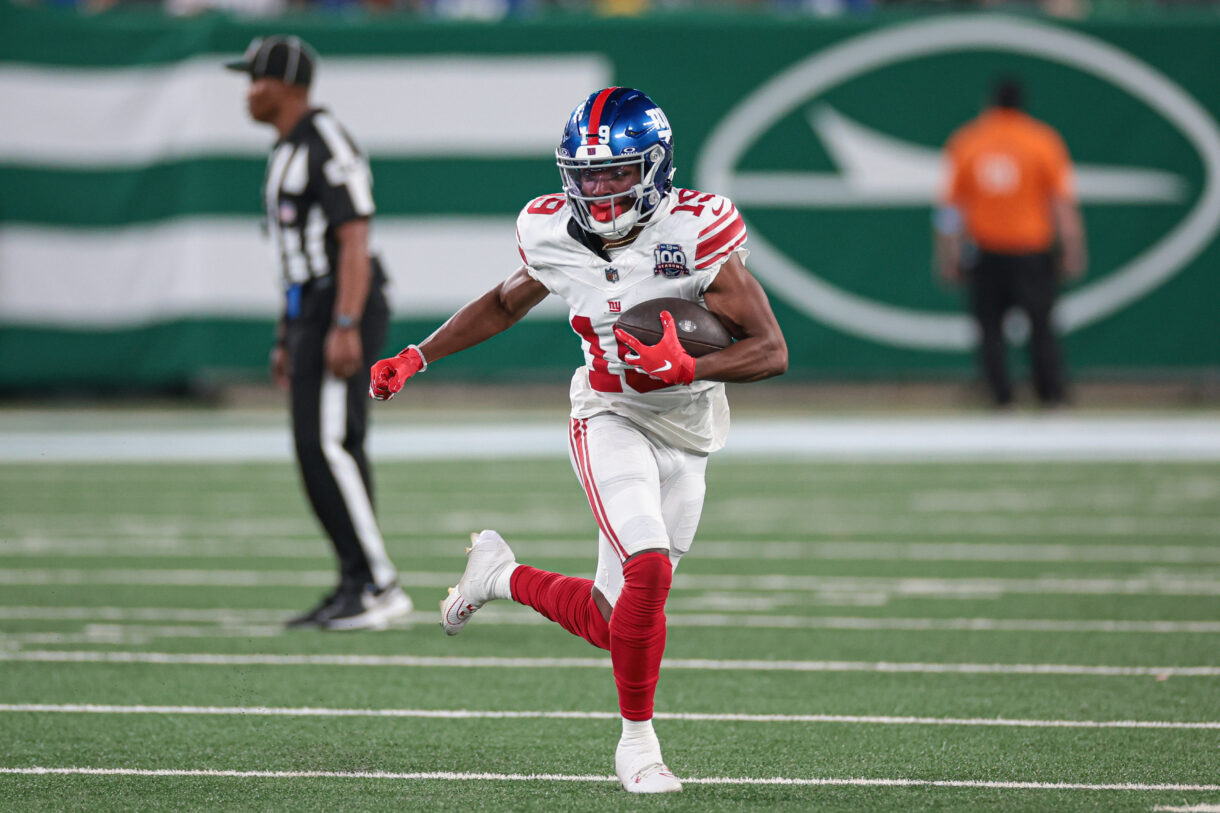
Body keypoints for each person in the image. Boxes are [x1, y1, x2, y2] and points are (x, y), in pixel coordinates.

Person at [369, 87, 787, 793]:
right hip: (608, 412)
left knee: (611, 616)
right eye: (587, 174)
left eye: (616, 173)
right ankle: (638, 746)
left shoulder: (696, 230)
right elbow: (504, 302)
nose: (598, 189)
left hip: (688, 429)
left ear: (653, 169)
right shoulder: (550, 230)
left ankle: (497, 575)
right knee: (648, 568)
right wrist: (418, 354)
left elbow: (771, 350)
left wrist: (694, 364)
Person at [226, 36, 411, 630]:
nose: (248, 92)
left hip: (340, 301)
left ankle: (377, 584)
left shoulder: (323, 139)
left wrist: (346, 323)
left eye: (256, 79)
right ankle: (355, 579)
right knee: (327, 448)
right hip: (312, 307)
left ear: (285, 84)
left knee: (327, 445)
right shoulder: (286, 148)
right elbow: (293, 255)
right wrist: (288, 331)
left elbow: (354, 238)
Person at [935, 76, 1087, 408]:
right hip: (1031, 250)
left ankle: (1000, 395)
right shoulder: (1042, 140)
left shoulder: (969, 141)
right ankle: (1051, 394)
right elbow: (1061, 202)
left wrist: (948, 252)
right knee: (1042, 326)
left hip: (987, 250)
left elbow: (950, 208)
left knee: (990, 329)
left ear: (990, 104)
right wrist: (1073, 246)